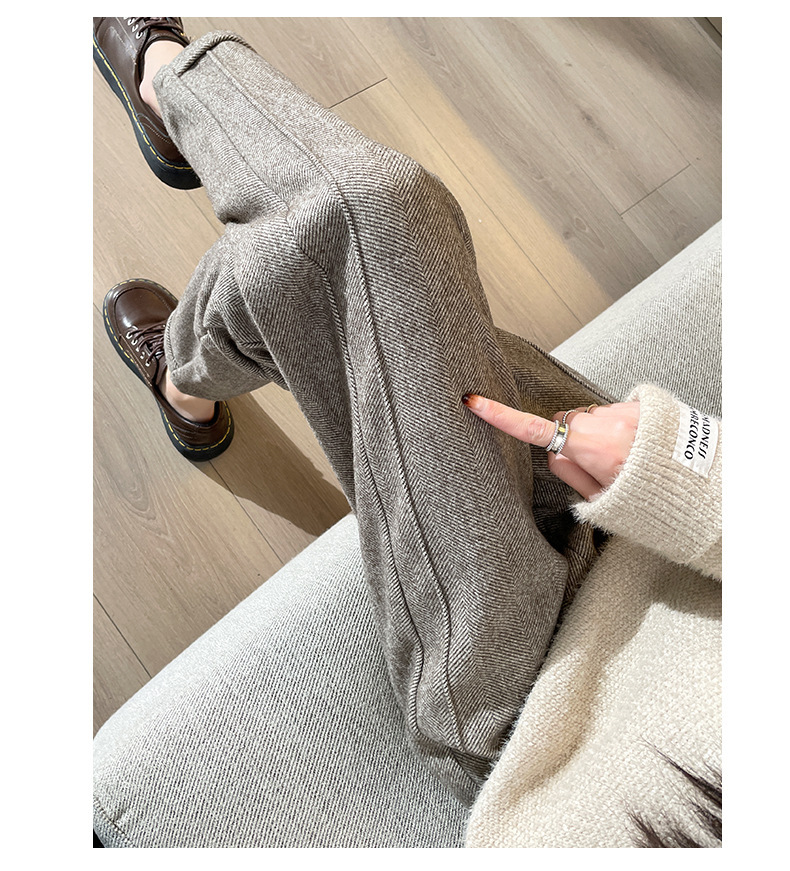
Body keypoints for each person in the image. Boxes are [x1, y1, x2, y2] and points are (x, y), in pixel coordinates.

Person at [93, 18, 721, 847]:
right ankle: (187, 379)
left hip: (530, 704)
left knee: (371, 215)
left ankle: (167, 82)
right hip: (653, 535)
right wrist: (683, 473)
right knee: (315, 280)